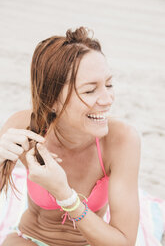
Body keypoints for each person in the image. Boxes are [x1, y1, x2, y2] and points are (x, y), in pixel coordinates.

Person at [0, 26, 141, 246]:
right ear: (53, 99)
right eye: (89, 90)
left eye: (109, 84)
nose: (107, 99)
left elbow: (123, 242)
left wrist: (65, 195)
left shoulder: (121, 140)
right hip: (31, 239)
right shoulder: (24, 127)